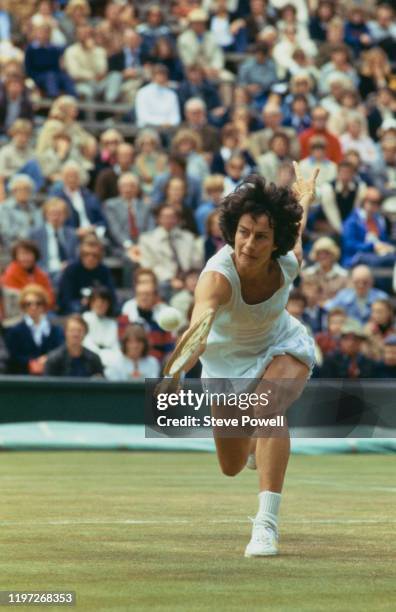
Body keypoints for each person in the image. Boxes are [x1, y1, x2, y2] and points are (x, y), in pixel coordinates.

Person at [159, 163, 319, 557]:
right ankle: (252, 449)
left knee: (268, 409)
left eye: (261, 236)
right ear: (232, 230)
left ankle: (266, 525)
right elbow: (198, 329)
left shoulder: (287, 261)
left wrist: (305, 196)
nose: (249, 244)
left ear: (274, 240)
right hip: (225, 368)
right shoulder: (216, 278)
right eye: (243, 233)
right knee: (230, 465)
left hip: (282, 345)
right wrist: (178, 368)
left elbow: (296, 228)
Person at [4, 284, 64, 374]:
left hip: (51, 378)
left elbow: (61, 350)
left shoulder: (56, 330)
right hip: (22, 380)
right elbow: (12, 357)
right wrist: (30, 363)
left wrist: (47, 359)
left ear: (44, 305)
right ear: (23, 307)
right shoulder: (14, 331)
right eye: (28, 304)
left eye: (38, 303)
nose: (33, 307)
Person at [57, 236, 117, 315]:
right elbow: (65, 300)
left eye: (94, 255)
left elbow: (111, 297)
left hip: (99, 310)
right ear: (81, 255)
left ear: (100, 256)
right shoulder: (71, 270)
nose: (90, 258)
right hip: (75, 312)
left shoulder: (104, 271)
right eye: (86, 254)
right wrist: (83, 304)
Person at [30, 197, 79, 286]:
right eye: (52, 214)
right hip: (42, 272)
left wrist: (68, 265)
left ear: (66, 215)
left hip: (66, 272)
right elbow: (32, 259)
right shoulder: (35, 234)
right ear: (45, 215)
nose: (55, 217)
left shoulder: (72, 234)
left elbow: (76, 257)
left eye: (59, 214)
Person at [1, 239, 55, 308]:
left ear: (35, 256)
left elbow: (50, 299)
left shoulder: (41, 274)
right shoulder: (10, 275)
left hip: (43, 311)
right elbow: (17, 302)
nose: (26, 258)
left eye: (29, 254)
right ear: (16, 256)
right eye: (22, 254)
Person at [82, 287, 120, 368]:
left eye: (103, 302)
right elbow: (86, 343)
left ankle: (150, 381)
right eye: (96, 302)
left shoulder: (112, 323)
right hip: (90, 360)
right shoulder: (85, 318)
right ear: (91, 303)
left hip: (111, 361)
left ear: (108, 305)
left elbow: (115, 346)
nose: (99, 305)